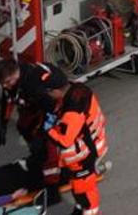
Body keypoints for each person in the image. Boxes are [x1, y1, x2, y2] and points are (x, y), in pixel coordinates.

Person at [0, 59, 69, 198]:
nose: (5, 86)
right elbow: (7, 102)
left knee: (47, 145)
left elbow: (52, 109)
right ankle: (37, 155)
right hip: (36, 104)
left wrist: (44, 131)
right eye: (2, 83)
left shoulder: (33, 84)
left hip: (54, 103)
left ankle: (53, 184)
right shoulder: (11, 84)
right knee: (24, 125)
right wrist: (3, 126)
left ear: (15, 74)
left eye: (7, 82)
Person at [45, 82, 108, 215]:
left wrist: (49, 130)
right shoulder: (79, 89)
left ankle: (89, 211)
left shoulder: (72, 111)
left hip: (83, 157)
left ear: (57, 91)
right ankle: (81, 208)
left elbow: (64, 141)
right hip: (90, 147)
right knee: (79, 189)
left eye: (49, 92)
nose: (48, 96)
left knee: (84, 192)